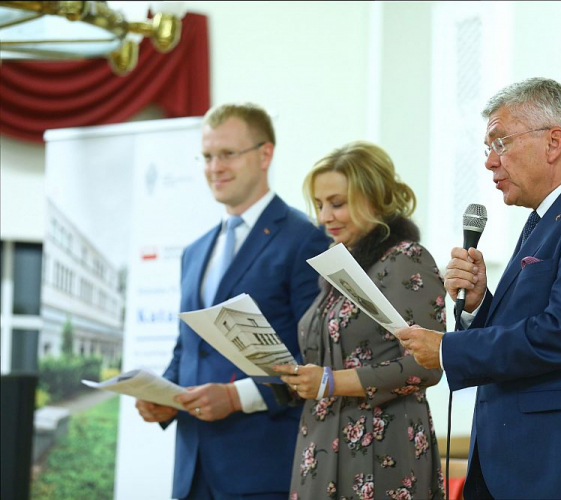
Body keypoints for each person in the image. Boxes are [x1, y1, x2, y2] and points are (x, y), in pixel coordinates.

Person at [399, 78, 561, 499]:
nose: (489, 162)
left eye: (500, 143)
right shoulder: (547, 219)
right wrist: (478, 305)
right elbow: (530, 326)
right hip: (526, 464)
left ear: (553, 142)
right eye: (488, 148)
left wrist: (449, 350)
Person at [135, 102, 330, 500]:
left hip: (261, 465)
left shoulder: (304, 238)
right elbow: (188, 347)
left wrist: (234, 398)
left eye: (227, 154)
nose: (214, 167)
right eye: (207, 156)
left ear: (265, 154)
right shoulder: (194, 251)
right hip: (192, 467)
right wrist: (165, 397)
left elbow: (314, 354)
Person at [273, 141, 447, 500]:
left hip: (380, 449)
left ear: (374, 199)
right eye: (320, 205)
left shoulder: (405, 259)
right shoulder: (340, 267)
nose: (324, 217)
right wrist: (297, 379)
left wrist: (331, 382)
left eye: (337, 204)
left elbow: (427, 366)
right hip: (320, 444)